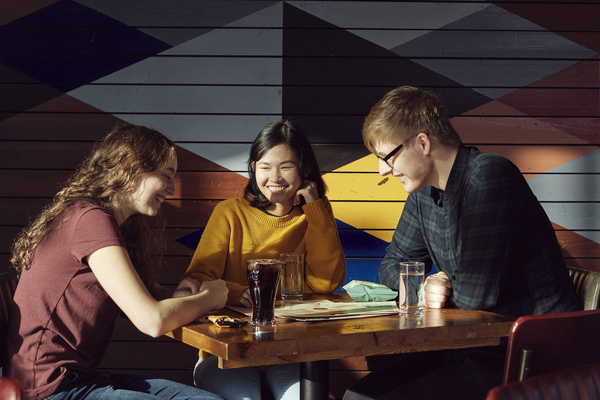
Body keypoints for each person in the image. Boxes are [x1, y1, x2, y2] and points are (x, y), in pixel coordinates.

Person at [343, 86, 581, 400]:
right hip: (471, 347)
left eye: (386, 157)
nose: (382, 171)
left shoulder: (489, 177)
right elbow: (392, 265)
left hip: (529, 356)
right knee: (357, 396)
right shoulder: (423, 191)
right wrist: (425, 284)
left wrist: (438, 285)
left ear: (423, 143)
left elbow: (476, 296)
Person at [7, 123, 228, 400]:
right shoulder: (91, 220)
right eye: (166, 175)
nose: (171, 188)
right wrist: (211, 296)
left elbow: (139, 295)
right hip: (53, 390)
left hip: (81, 380)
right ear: (130, 168)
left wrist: (174, 296)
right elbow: (151, 321)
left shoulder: (104, 220)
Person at [185, 119, 346, 400]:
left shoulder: (315, 214)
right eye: (264, 167)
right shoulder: (229, 213)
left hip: (290, 351)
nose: (275, 177)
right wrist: (242, 292)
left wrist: (316, 211)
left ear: (305, 169)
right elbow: (197, 280)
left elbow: (325, 284)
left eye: (286, 167)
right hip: (229, 353)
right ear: (252, 168)